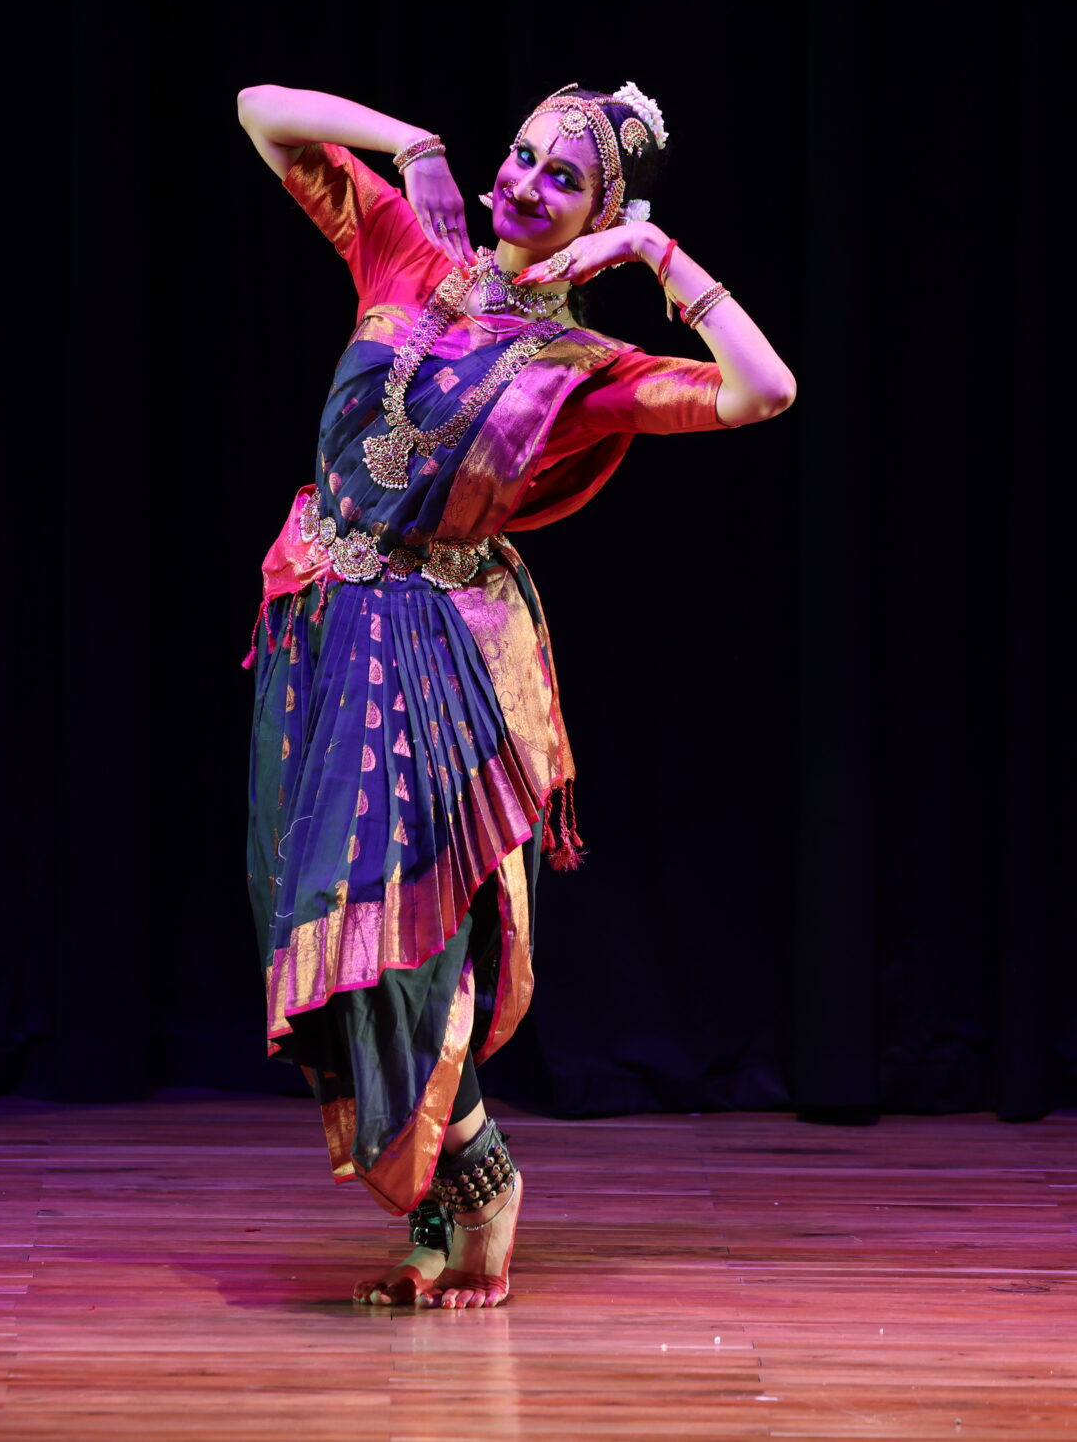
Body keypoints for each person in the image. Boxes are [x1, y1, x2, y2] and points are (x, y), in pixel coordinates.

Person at [236, 81, 796, 1308]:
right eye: (520, 157)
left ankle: (480, 1173)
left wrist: (657, 252)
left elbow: (765, 390)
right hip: (316, 625)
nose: (524, 185)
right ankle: (436, 1208)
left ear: (596, 214)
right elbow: (258, 110)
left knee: (385, 924)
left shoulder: (580, 371)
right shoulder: (404, 242)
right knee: (306, 915)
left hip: (426, 654)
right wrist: (411, 144)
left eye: (562, 179)